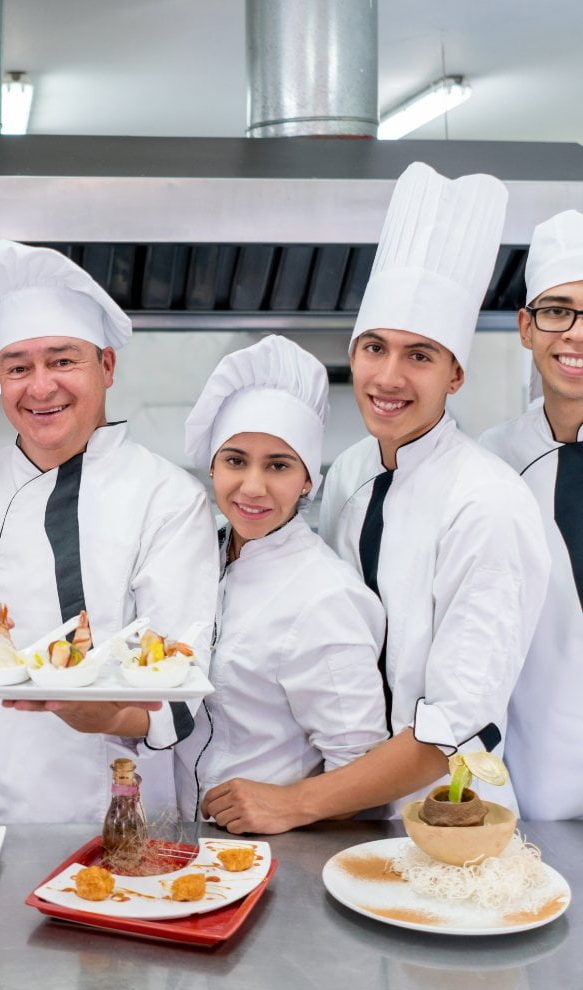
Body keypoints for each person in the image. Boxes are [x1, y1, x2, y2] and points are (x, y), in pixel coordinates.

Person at [194, 163, 549, 834]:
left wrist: (294, 800)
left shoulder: (487, 504)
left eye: (419, 355)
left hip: (452, 820)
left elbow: (456, 719)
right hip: (353, 817)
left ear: (456, 372)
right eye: (374, 349)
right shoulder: (353, 471)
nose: (388, 377)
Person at [0, 239, 219, 824]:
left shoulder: (167, 499)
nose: (39, 387)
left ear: (106, 366)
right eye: (17, 367)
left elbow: (184, 684)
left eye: (62, 361)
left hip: (110, 815)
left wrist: (103, 715)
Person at [174, 335, 388, 831]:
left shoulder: (323, 596)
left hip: (274, 850)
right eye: (235, 460)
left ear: (307, 479)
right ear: (212, 466)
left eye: (278, 465)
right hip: (186, 836)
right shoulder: (193, 557)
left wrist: (290, 809)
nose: (252, 487)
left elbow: (360, 763)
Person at [479, 209, 583, 820]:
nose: (574, 333)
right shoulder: (489, 465)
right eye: (556, 310)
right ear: (525, 327)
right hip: (527, 787)